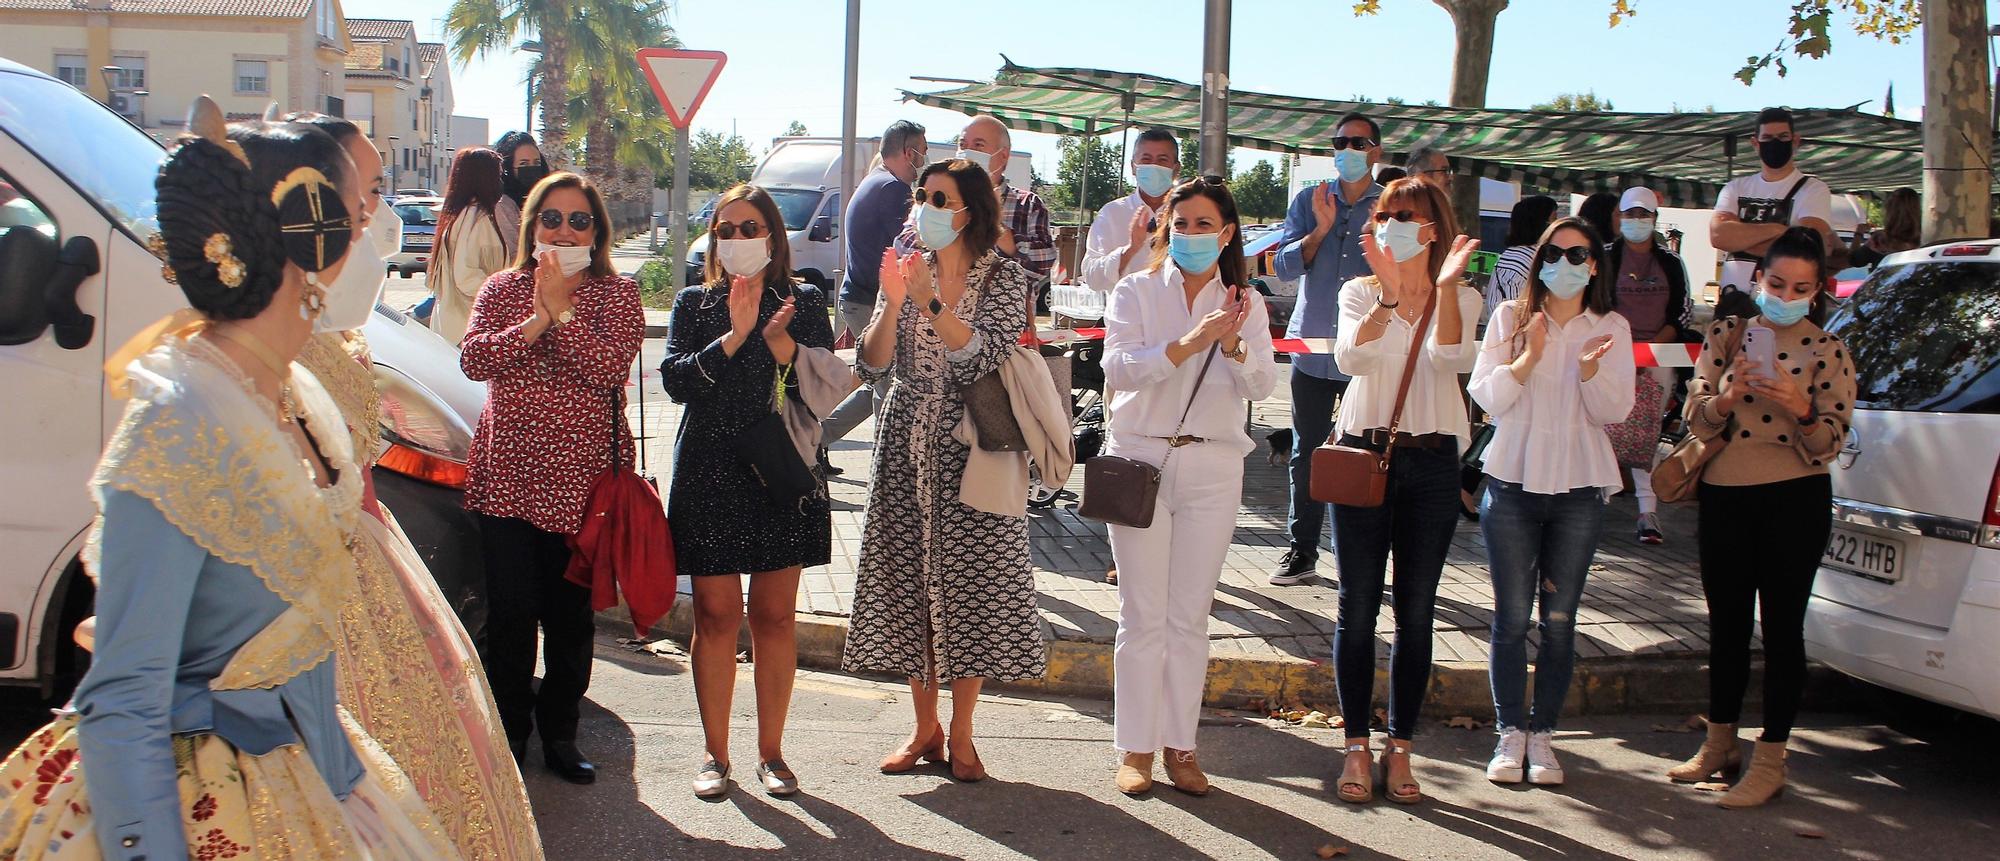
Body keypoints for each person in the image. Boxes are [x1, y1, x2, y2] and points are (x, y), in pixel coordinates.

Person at [0, 103, 459, 858]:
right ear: (314, 228)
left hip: (308, 780)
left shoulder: (292, 396)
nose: (374, 226)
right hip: (195, 806)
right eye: (358, 207)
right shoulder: (179, 422)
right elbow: (123, 698)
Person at [291, 112, 546, 859]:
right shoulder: (253, 360)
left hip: (371, 560)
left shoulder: (341, 333)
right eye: (366, 192)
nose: (381, 214)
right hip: (315, 601)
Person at [842, 158, 1045, 783]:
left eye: (940, 197)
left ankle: (962, 734)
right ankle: (923, 729)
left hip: (974, 442)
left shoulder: (1006, 277)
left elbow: (982, 356)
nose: (926, 207)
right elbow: (873, 365)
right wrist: (894, 303)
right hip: (905, 437)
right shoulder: (904, 266)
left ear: (969, 211)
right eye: (922, 196)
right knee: (908, 587)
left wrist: (930, 302)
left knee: (974, 589)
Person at [460, 171, 645, 785]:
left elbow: (607, 369)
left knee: (569, 619)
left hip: (580, 485)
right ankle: (510, 731)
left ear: (597, 230)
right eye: (552, 218)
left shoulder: (617, 295)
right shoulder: (502, 287)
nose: (564, 229)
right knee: (510, 615)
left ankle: (560, 733)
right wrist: (536, 320)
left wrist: (563, 315)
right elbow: (474, 358)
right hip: (507, 474)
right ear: (533, 224)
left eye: (579, 220)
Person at [1667, 227, 1854, 809]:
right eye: (1776, 283)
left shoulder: (1828, 349)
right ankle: (1720, 743)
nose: (1785, 294)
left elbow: (1831, 441)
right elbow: (1695, 416)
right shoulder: (1726, 333)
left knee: (1781, 632)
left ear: (1818, 289)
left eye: (1800, 287)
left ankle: (1772, 756)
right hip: (1726, 495)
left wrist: (1800, 407)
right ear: (1758, 279)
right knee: (1725, 626)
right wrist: (1725, 395)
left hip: (1794, 500)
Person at [1103, 177, 1277, 796]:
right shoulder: (1136, 289)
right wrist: (1187, 343)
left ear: (1227, 233)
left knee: (1188, 617)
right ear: (1166, 228)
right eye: (1183, 224)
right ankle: (1136, 748)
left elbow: (1261, 386)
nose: (1193, 235)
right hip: (1139, 460)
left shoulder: (1246, 303)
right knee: (1140, 615)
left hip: (1213, 467)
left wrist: (1228, 341)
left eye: (1207, 225)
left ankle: (1182, 745)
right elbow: (1119, 366)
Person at [661, 184, 835, 798]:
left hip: (778, 470)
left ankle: (772, 753)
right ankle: (715, 754)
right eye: (725, 229)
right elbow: (677, 383)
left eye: (749, 227)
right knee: (713, 615)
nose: (736, 239)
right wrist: (733, 337)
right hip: (709, 469)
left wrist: (778, 342)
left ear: (772, 235)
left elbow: (822, 386)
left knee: (774, 616)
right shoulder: (692, 302)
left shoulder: (804, 299)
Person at [1327, 178, 1482, 806]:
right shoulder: (1359, 290)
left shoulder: (1465, 297)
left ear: (1434, 228)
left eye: (1408, 216)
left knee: (1417, 610)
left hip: (1434, 463)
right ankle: (1357, 747)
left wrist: (1440, 289)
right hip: (1364, 456)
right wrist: (1389, 299)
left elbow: (1452, 359)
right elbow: (1349, 361)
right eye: (1386, 214)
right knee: (1356, 605)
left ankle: (1402, 746)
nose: (1393, 224)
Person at [1469, 217, 1633, 788]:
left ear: (1594, 264)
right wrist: (1528, 356)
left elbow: (1613, 411)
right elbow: (1487, 397)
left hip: (1579, 488)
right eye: (1554, 252)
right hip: (1512, 482)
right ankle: (1509, 731)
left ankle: (1544, 735)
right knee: (1511, 618)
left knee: (1559, 619)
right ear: (1539, 260)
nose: (1565, 263)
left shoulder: (1611, 326)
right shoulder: (1512, 318)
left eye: (1578, 254)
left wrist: (1589, 372)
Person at [1270, 112, 1384, 586]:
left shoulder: (1389, 206)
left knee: (1367, 455)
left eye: (1359, 142)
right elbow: (1282, 267)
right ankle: (1302, 550)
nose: (1349, 149)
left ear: (1376, 151)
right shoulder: (1309, 199)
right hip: (1312, 354)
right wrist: (1320, 230)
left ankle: (1364, 559)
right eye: (1341, 141)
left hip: (1368, 355)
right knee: (1306, 453)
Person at [822, 120, 927, 454]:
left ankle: (813, 440)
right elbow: (915, 247)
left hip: (859, 299)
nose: (922, 163)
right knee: (889, 386)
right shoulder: (892, 190)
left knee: (877, 380)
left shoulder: (875, 182)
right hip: (871, 302)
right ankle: (888, 459)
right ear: (908, 152)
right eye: (922, 153)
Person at [1607, 187, 1696, 546]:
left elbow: (1681, 310)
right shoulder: (1607, 257)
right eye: (1630, 215)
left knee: (1644, 434)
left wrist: (1651, 349)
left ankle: (1648, 511)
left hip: (1658, 357)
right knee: (1605, 429)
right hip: (1612, 353)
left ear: (1655, 218)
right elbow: (1597, 304)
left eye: (1644, 215)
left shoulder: (1670, 262)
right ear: (1620, 217)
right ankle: (1596, 500)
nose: (1637, 221)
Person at [1712, 107, 1841, 316]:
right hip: (1733, 307)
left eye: (1782, 137)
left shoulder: (1813, 189)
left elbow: (1806, 245)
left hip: (1784, 310)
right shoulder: (1735, 188)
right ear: (1756, 143)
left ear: (1795, 140)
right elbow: (1719, 236)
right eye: (1768, 138)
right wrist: (1780, 230)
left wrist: (1743, 239)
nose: (1775, 144)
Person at [1082, 128, 1182, 293]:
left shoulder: (1187, 215)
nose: (1154, 166)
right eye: (1146, 159)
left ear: (1176, 168)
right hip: (1124, 316)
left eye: (1162, 160)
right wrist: (1130, 249)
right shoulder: (1111, 214)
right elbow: (1093, 279)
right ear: (1133, 167)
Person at [429, 147, 512, 344]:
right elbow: (466, 277)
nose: (501, 182)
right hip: (468, 328)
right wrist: (505, 296)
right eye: (498, 175)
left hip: (451, 325)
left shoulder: (457, 217)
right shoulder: (478, 220)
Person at [1484, 195, 1557, 323]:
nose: (1556, 227)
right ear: (1539, 223)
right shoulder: (1525, 260)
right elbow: (1518, 313)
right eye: (1554, 220)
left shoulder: (1514, 255)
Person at [493, 130, 548, 259]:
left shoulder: (546, 198)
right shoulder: (502, 205)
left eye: (536, 163)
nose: (532, 169)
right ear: (507, 167)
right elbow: (513, 254)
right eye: (523, 164)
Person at [1847, 187, 1920, 268]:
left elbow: (1854, 260)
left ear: (1889, 210)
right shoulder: (1925, 238)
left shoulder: (1880, 240)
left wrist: (1859, 233)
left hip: (1887, 280)